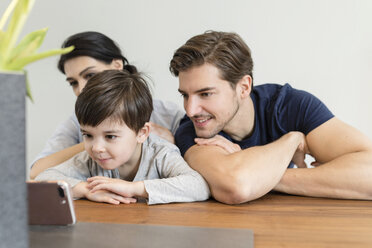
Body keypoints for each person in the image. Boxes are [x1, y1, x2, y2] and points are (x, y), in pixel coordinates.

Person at [169, 30, 372, 204]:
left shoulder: (291, 105)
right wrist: (291, 141)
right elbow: (237, 187)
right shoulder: (192, 130)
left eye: (205, 94)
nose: (190, 110)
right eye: (185, 95)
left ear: (244, 87)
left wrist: (261, 175)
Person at [35, 70, 210, 205]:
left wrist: (133, 188)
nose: (96, 147)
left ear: (142, 133)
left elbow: (198, 186)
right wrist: (85, 189)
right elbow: (42, 178)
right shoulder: (89, 159)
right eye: (88, 135)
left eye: (110, 136)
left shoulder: (160, 154)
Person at [30, 31, 185, 179]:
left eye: (90, 75)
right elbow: (36, 172)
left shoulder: (168, 115)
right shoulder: (76, 122)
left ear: (117, 65)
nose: (81, 89)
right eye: (73, 83)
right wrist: (97, 140)